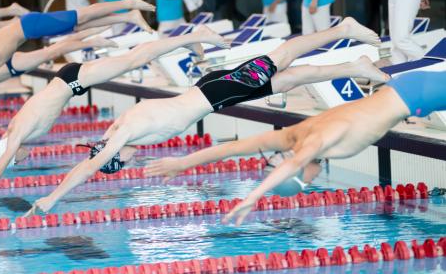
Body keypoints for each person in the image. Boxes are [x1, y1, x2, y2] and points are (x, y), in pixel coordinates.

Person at [24, 17, 391, 215]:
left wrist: (53, 198)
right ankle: (353, 64)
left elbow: (88, 166)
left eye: (119, 162)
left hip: (215, 92)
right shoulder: (124, 132)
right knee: (288, 79)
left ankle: (343, 28)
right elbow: (92, 156)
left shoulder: (124, 134)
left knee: (282, 58)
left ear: (114, 153)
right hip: (211, 93)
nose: (129, 161)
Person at [0, 25, 230, 212]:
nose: (23, 160)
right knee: (132, 59)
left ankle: (193, 36)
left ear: (10, 154)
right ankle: (190, 40)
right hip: (69, 81)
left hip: (73, 81)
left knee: (134, 59)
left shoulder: (15, 137)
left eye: (16, 160)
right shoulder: (12, 134)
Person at [147, 70, 446, 225]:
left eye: (304, 180)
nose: (311, 181)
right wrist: (183, 164)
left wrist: (253, 197)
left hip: (416, 95)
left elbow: (291, 164)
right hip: (408, 96)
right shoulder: (290, 137)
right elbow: (233, 149)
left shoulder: (314, 142)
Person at [0, 0, 155, 156]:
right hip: (30, 26)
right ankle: (129, 16)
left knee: (82, 15)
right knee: (79, 25)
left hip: (31, 26)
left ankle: (127, 3)